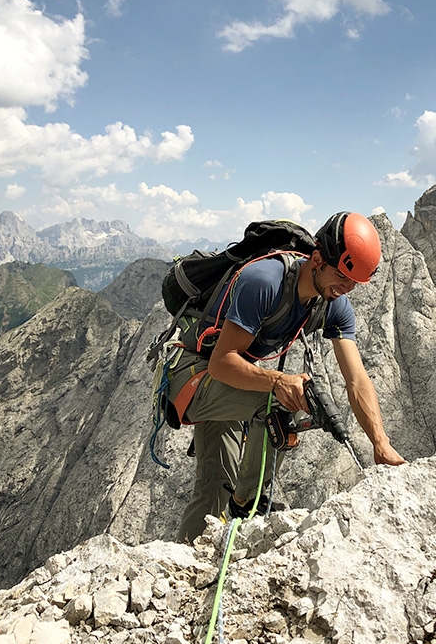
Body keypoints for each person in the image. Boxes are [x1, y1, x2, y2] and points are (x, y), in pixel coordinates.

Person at [172, 211, 406, 543]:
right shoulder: (265, 281)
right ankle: (248, 505)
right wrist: (279, 383)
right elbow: (221, 364)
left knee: (212, 491)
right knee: (281, 401)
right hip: (192, 373)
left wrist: (380, 444)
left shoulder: (331, 302)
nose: (347, 288)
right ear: (317, 258)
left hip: (231, 381)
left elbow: (357, 379)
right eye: (342, 275)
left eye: (355, 283)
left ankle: (187, 562)